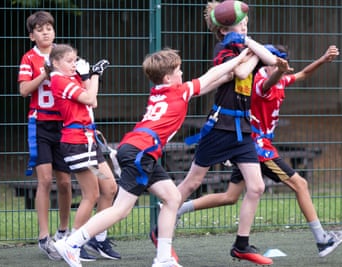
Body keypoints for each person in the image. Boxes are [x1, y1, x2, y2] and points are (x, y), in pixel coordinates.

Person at [52, 47, 250, 267]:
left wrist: (230, 74)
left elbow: (208, 84)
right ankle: (72, 243)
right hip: (141, 153)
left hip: (140, 150)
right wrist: (240, 58)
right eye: (179, 70)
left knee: (173, 198)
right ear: (168, 77)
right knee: (121, 209)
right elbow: (208, 77)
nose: (182, 74)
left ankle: (163, 258)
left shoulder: (160, 91)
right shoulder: (178, 92)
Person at [176, 45, 342, 258]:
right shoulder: (260, 83)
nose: (279, 64)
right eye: (275, 61)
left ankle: (180, 209)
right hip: (259, 148)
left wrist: (323, 59)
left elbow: (303, 74)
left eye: (281, 60)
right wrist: (278, 69)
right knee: (300, 184)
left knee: (230, 196)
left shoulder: (281, 80)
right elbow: (269, 82)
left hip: (248, 147)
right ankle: (323, 240)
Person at [151, 1, 278, 266]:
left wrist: (250, 43)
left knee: (256, 186)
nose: (244, 24)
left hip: (242, 128)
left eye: (245, 22)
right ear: (222, 29)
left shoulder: (243, 46)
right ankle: (162, 227)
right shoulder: (224, 49)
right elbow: (241, 71)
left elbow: (274, 61)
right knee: (192, 182)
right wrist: (252, 50)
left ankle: (241, 245)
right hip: (220, 126)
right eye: (238, 22)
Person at [45, 44, 122, 262]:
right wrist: (95, 75)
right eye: (69, 61)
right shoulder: (59, 79)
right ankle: (73, 244)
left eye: (75, 60)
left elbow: (92, 101)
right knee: (92, 194)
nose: (74, 64)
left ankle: (98, 238)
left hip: (89, 143)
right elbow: (89, 98)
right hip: (77, 143)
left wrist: (88, 76)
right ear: (56, 63)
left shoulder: (73, 78)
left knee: (109, 187)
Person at [18, 11, 72, 261]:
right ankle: (44, 236)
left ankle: (64, 232)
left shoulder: (64, 55)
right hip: (40, 125)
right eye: (39, 29)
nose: (45, 32)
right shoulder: (29, 58)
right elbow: (24, 90)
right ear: (32, 36)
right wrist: (45, 73)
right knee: (45, 179)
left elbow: (77, 83)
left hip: (65, 124)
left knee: (64, 181)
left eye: (49, 27)